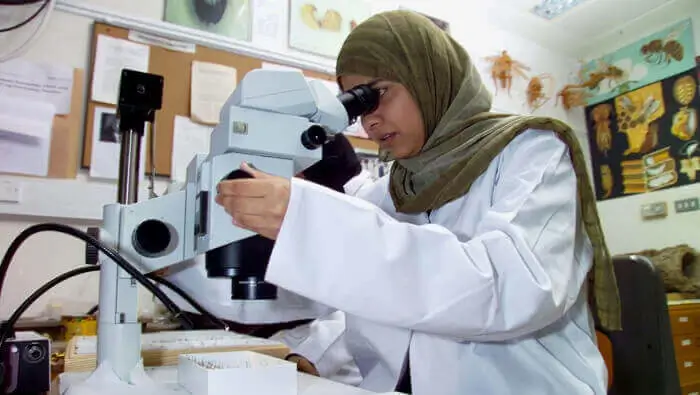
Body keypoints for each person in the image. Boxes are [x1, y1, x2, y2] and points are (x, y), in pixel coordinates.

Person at [211, 10, 623, 394]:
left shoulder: (531, 152)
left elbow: (507, 288)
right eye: (356, 104)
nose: (369, 119)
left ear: (428, 76)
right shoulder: (387, 189)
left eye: (378, 93)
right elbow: (376, 304)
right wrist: (311, 355)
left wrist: (308, 221)